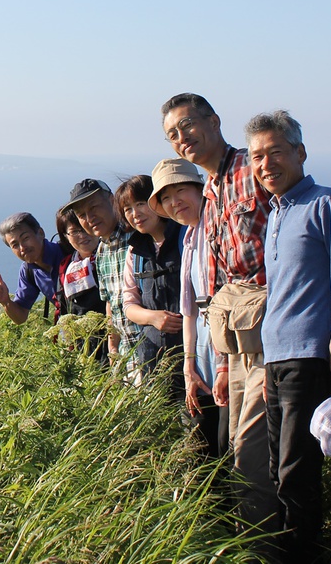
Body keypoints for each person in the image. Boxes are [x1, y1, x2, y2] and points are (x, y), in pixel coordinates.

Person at [247, 110, 331, 562]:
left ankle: (301, 554)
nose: (266, 164)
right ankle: (295, 549)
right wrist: (265, 362)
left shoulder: (326, 202)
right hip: (277, 359)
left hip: (308, 356)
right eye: (258, 156)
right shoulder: (276, 213)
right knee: (281, 466)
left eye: (275, 152)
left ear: (299, 152)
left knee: (297, 470)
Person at [161, 92, 279, 539]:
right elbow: (224, 287)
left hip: (271, 335)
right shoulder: (211, 189)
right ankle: (260, 539)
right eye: (172, 133)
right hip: (236, 343)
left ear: (213, 120)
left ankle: (265, 545)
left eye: (187, 125)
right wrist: (225, 365)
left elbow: (295, 247)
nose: (181, 137)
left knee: (251, 454)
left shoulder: (253, 169)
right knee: (237, 450)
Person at [149, 157, 227, 458]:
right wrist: (189, 366)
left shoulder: (217, 229)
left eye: (180, 190)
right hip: (202, 360)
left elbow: (222, 301)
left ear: (199, 189)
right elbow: (190, 312)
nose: (174, 201)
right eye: (165, 198)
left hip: (227, 356)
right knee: (203, 451)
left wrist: (222, 365)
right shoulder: (190, 237)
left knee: (229, 448)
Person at [117, 174, 185, 393]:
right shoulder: (134, 252)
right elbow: (129, 305)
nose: (135, 214)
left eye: (140, 204)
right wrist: (154, 318)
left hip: (193, 354)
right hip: (153, 360)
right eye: (127, 209)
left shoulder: (186, 237)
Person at [62, 178, 133, 367]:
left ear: (112, 201)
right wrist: (113, 349)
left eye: (94, 207)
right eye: (82, 215)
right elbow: (111, 304)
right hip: (126, 353)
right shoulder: (101, 251)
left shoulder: (136, 238)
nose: (89, 218)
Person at [53, 209, 111, 363]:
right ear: (66, 236)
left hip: (113, 342)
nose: (83, 235)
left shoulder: (111, 255)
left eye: (85, 227)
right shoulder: (66, 266)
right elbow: (64, 310)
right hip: (84, 350)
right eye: (74, 231)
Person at [0, 212, 67, 325]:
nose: (22, 248)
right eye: (15, 245)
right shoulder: (28, 271)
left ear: (40, 233)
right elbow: (20, 317)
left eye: (25, 238)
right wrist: (6, 301)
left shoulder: (68, 251)